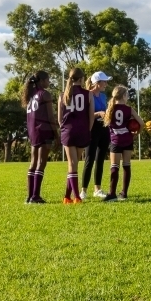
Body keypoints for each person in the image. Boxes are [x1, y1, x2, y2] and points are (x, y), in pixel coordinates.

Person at [58, 67, 94, 205]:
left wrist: (64, 129)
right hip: (82, 130)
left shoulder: (63, 95)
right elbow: (91, 116)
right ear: (81, 78)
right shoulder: (88, 94)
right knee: (74, 164)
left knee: (72, 164)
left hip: (68, 131)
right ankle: (76, 197)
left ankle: (68, 196)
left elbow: (60, 119)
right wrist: (87, 130)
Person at [22, 70, 58, 203]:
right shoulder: (45, 94)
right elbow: (50, 116)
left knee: (33, 163)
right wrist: (56, 134)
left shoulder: (31, 95)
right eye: (48, 80)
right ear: (42, 81)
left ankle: (29, 196)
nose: (49, 82)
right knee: (41, 163)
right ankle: (35, 196)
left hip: (33, 132)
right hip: (44, 130)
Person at [104, 85, 143, 201]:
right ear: (124, 96)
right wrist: (136, 134)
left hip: (115, 140)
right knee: (126, 165)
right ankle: (124, 193)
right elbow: (141, 123)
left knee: (114, 166)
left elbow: (106, 123)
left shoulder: (110, 109)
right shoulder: (129, 109)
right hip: (127, 139)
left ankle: (112, 194)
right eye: (127, 95)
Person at [80, 71, 111, 200]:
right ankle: (83, 191)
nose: (106, 84)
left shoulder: (103, 96)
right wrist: (98, 113)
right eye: (104, 81)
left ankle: (97, 189)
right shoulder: (88, 95)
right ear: (97, 83)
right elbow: (85, 116)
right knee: (89, 160)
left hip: (103, 129)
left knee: (100, 160)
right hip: (92, 129)